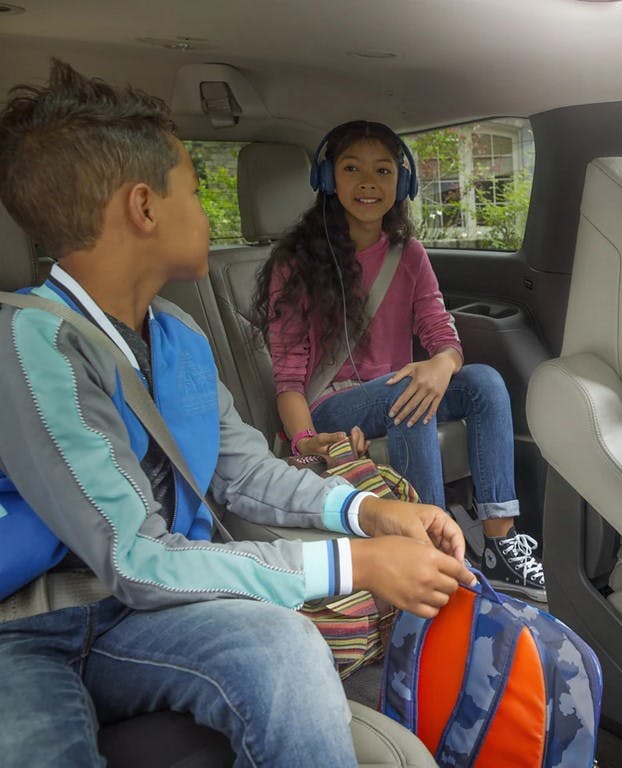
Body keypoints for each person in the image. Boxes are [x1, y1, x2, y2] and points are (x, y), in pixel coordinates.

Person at [0, 60, 475, 766]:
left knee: (284, 646)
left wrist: (372, 513)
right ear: (144, 208)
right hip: (28, 629)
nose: (206, 213)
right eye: (194, 191)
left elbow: (245, 471)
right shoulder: (30, 344)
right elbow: (137, 559)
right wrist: (357, 563)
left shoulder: (177, 336)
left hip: (145, 617)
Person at [253, 120, 545, 601]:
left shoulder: (408, 255)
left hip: (394, 391)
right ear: (328, 179)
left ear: (402, 183)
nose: (368, 182)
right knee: (408, 392)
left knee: (484, 382)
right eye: (352, 169)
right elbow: (288, 377)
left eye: (383, 170)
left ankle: (499, 543)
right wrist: (305, 443)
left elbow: (440, 332)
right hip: (329, 406)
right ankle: (431, 549)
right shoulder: (296, 263)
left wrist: (443, 363)